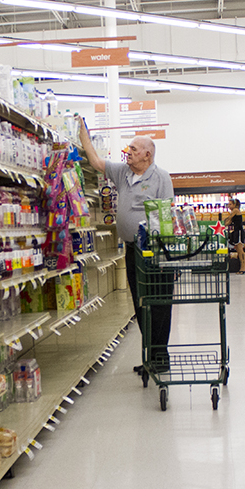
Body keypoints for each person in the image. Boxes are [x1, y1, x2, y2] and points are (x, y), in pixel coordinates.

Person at [77, 117, 174, 373]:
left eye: (133, 149)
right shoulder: (122, 172)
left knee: (160, 303)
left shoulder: (162, 178)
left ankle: (160, 357)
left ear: (147, 155)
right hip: (133, 250)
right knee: (140, 302)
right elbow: (96, 162)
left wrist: (164, 255)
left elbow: (166, 218)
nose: (127, 152)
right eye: (128, 149)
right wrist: (83, 134)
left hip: (155, 252)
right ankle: (150, 357)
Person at [227, 198, 245, 274]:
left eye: (230, 204)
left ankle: (243, 267)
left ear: (235, 205)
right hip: (236, 232)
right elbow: (229, 221)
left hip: (238, 231)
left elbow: (229, 219)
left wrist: (222, 223)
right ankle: (242, 267)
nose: (228, 206)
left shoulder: (235, 210)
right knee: (238, 250)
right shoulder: (234, 211)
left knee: (240, 250)